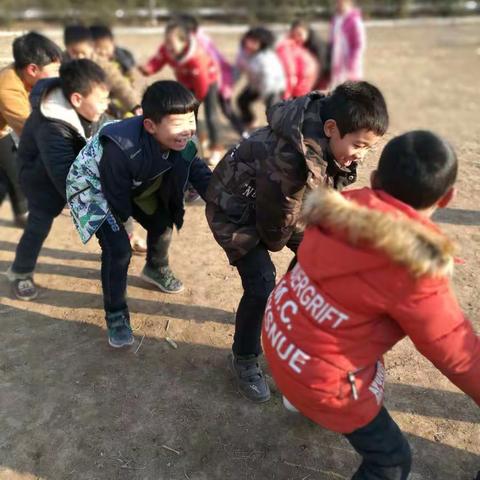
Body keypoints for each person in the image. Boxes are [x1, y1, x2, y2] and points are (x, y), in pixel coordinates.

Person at [262, 130, 480, 479]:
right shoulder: (415, 268)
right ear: (448, 197)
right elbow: (456, 349)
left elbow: (300, 265)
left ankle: (297, 397)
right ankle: (304, 398)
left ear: (376, 180)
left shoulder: (340, 207)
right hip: (316, 375)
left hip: (277, 333)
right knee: (391, 463)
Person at [205, 81, 388, 402]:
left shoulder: (324, 132)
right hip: (234, 211)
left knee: (320, 257)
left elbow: (322, 190)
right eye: (360, 146)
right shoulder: (292, 160)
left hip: (278, 206)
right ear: (331, 128)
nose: (363, 156)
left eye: (369, 148)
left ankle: (284, 315)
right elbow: (276, 232)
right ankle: (244, 356)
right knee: (261, 283)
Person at [66, 80, 212, 348]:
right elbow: (115, 193)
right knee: (118, 249)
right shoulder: (121, 148)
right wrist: (125, 228)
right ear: (150, 125)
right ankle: (116, 314)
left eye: (191, 120)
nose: (187, 130)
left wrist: (222, 199)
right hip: (95, 188)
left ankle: (155, 268)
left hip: (135, 183)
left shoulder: (183, 141)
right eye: (178, 123)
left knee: (162, 222)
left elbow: (198, 171)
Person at [5, 59, 109, 300]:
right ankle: (20, 271)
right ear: (76, 99)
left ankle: (124, 236)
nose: (106, 104)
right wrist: (93, 206)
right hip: (39, 180)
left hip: (68, 169)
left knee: (111, 199)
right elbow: (65, 178)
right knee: (38, 225)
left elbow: (104, 126)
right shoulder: (52, 126)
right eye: (101, 100)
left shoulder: (89, 107)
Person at [139, 21, 223, 166]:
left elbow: (202, 86)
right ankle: (197, 141)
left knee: (210, 115)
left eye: (171, 42)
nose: (168, 46)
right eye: (166, 41)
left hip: (207, 82)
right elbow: (158, 60)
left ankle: (216, 148)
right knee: (189, 115)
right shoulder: (168, 50)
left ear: (184, 42)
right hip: (186, 84)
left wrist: (195, 103)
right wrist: (149, 69)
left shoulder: (197, 58)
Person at [0, 31, 62, 227]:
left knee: (14, 168)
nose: (57, 77)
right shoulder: (7, 90)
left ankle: (23, 213)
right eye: (54, 71)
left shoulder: (23, 74)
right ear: (33, 69)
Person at [63, 25, 141, 116]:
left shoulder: (103, 65)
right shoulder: (63, 64)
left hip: (100, 109)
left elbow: (121, 86)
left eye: (83, 52)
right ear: (67, 48)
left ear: (92, 47)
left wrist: (135, 106)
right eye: (74, 53)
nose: (79, 57)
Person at [234, 27, 286, 130]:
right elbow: (238, 69)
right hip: (256, 85)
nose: (249, 44)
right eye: (248, 40)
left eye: (254, 42)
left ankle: (276, 131)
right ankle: (250, 121)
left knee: (272, 111)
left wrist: (264, 95)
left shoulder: (266, 58)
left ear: (262, 44)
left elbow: (268, 79)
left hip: (272, 87)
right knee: (242, 100)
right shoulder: (243, 53)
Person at [276, 20, 319, 99]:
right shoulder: (286, 46)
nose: (297, 37)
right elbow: (289, 70)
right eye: (295, 34)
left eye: (300, 34)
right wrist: (287, 95)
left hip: (304, 90)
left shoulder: (299, 46)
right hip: (296, 92)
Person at [329, 0, 366, 88]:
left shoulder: (354, 20)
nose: (339, 3)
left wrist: (352, 64)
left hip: (350, 67)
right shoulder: (335, 19)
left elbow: (359, 44)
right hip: (337, 66)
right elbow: (332, 41)